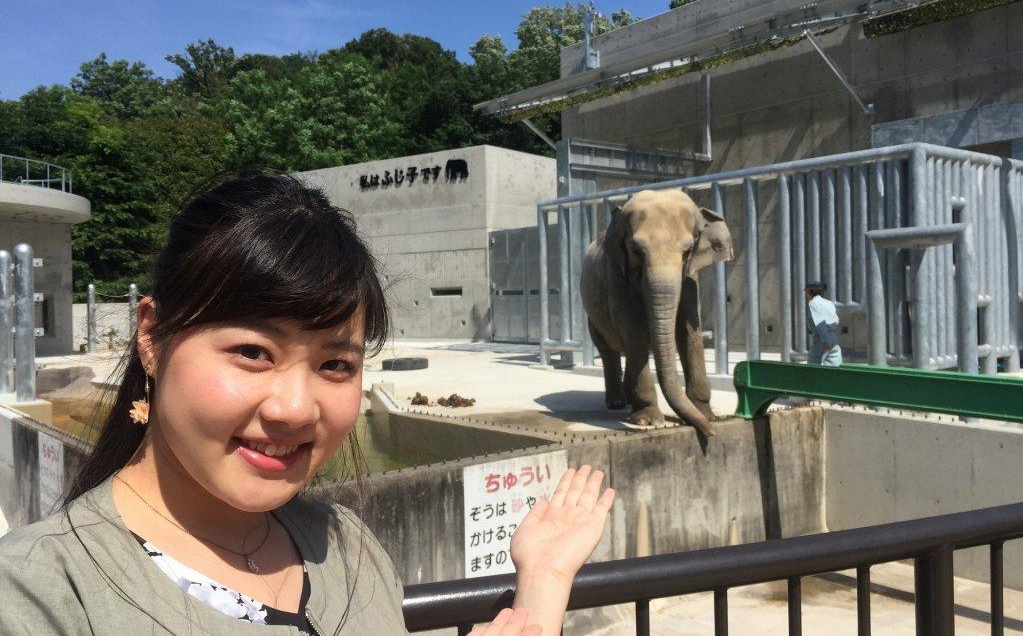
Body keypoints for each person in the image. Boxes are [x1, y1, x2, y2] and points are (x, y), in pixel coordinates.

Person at [0, 170, 615, 635]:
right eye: (253, 351)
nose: (296, 408)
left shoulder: (345, 548)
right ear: (153, 338)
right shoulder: (38, 593)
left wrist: (542, 582)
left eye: (334, 364)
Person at [805, 281, 842, 366]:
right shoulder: (829, 303)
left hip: (821, 339)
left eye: (806, 292)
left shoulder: (813, 303)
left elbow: (820, 323)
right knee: (833, 362)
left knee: (813, 365)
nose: (805, 295)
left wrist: (825, 340)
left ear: (810, 292)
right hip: (833, 337)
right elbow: (836, 319)